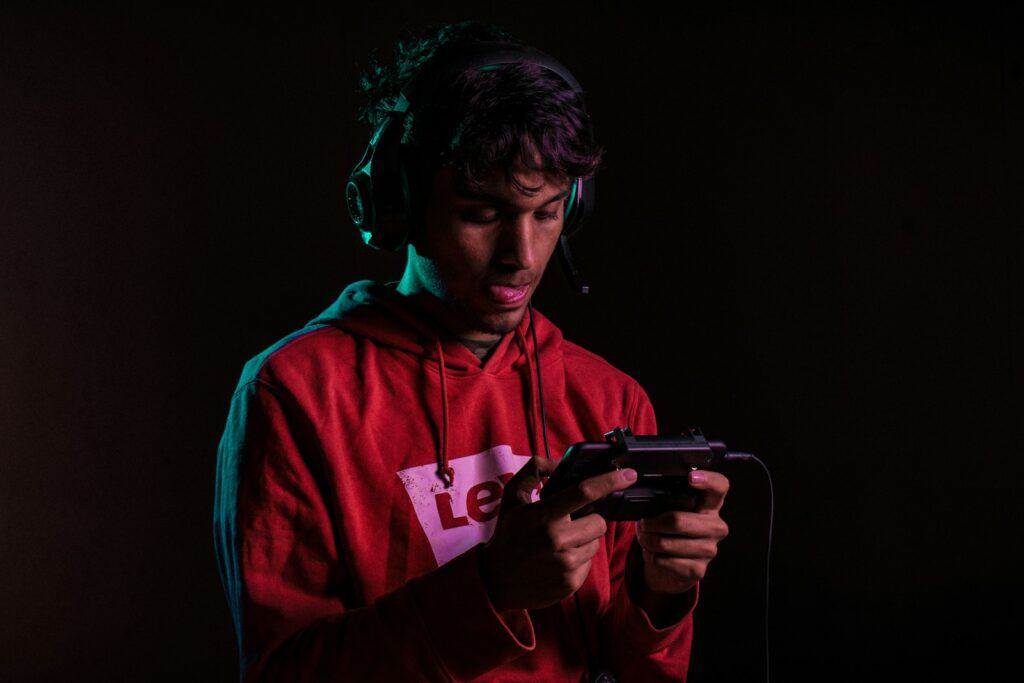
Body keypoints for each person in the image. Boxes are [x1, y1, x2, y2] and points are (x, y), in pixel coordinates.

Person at [212, 20, 730, 682]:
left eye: (545, 213)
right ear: (400, 201)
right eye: (481, 213)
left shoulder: (609, 397)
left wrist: (662, 593)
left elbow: (639, 671)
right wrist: (489, 590)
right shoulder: (294, 392)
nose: (521, 255)